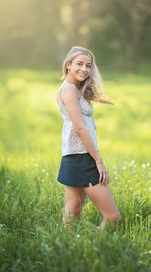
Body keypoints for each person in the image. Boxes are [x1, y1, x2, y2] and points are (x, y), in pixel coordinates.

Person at [56, 46, 121, 230]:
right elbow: (78, 128)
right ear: (68, 65)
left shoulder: (70, 90)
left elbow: (67, 123)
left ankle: (67, 253)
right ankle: (93, 252)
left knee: (73, 214)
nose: (84, 69)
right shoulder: (69, 91)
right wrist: (98, 161)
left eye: (88, 65)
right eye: (79, 64)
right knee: (113, 217)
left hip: (72, 156)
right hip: (82, 158)